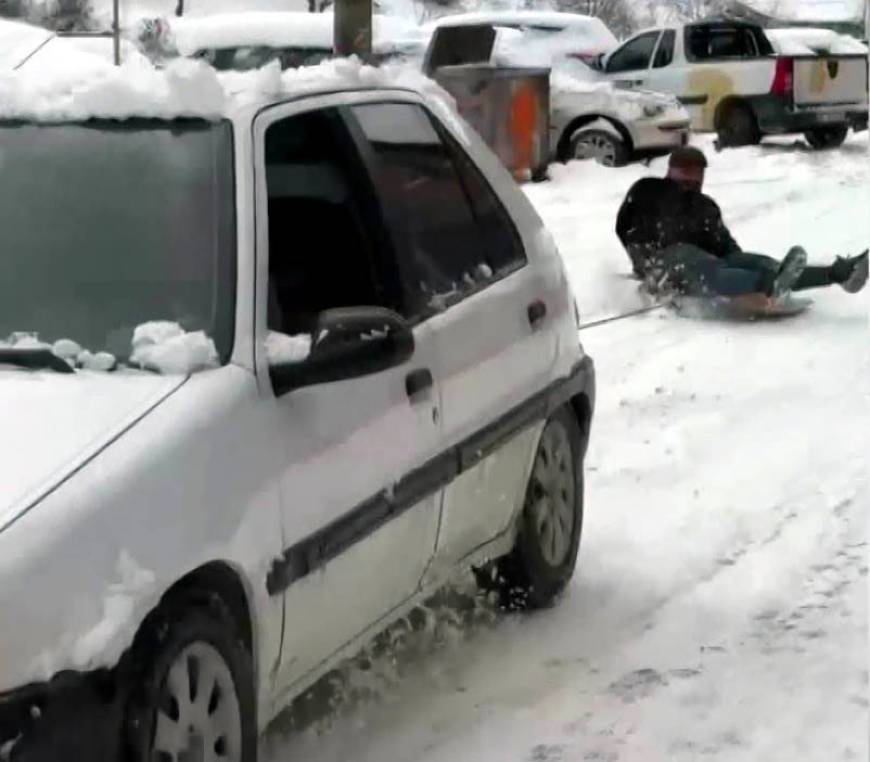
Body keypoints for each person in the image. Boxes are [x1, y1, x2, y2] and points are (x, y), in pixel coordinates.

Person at [615, 146, 868, 305]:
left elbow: (723, 242)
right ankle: (767, 285)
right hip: (667, 265)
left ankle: (837, 274)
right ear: (672, 170)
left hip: (703, 263)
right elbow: (624, 227)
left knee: (755, 262)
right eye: (687, 170)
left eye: (698, 172)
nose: (694, 177)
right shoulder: (649, 189)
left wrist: (742, 258)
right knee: (704, 262)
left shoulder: (705, 206)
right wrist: (645, 265)